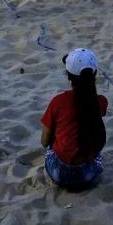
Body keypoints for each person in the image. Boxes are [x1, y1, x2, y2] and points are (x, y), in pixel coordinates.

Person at [42, 48, 108, 189]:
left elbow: (44, 141)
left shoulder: (58, 102)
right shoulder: (100, 102)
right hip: (88, 174)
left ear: (68, 75)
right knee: (91, 130)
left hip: (59, 173)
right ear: (94, 73)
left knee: (51, 144)